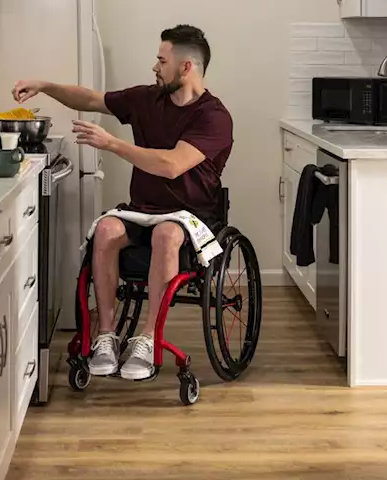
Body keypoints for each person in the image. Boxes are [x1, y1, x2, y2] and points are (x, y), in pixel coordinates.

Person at [12, 24, 232, 380]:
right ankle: (106, 336)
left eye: (162, 61)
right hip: (142, 209)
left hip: (189, 216)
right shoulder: (148, 99)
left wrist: (112, 144)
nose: (155, 67)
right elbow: (90, 99)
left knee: (165, 234)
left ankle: (146, 339)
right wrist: (46, 86)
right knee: (107, 228)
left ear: (186, 67)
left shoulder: (214, 117)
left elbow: (171, 165)